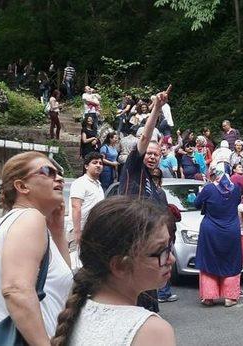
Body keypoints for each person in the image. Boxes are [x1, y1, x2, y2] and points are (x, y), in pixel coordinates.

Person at [0, 152, 73, 343]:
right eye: (47, 171)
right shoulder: (29, 219)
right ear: (22, 186)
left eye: (59, 172)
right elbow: (16, 290)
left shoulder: (10, 223)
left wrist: (57, 231)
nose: (59, 177)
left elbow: (64, 284)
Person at [51, 196, 177, 346]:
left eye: (169, 247)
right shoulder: (152, 331)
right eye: (160, 250)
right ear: (120, 266)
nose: (171, 259)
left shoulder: (74, 313)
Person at [119, 89, 177, 309]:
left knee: (148, 306)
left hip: (148, 249)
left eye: (157, 154)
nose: (152, 156)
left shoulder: (154, 185)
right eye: (149, 153)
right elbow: (144, 137)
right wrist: (157, 109)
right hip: (131, 246)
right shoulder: (134, 169)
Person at [194, 163, 243, 307]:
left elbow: (197, 204)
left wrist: (201, 192)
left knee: (209, 261)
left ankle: (209, 297)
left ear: (213, 174)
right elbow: (237, 203)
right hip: (231, 230)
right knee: (231, 261)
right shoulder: (235, 189)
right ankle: (230, 297)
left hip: (210, 230)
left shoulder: (208, 188)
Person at [70, 152, 105, 244]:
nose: (98, 165)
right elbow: (76, 207)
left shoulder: (99, 186)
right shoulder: (80, 183)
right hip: (80, 230)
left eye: (100, 163)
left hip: (93, 231)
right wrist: (77, 232)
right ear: (86, 166)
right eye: (94, 162)